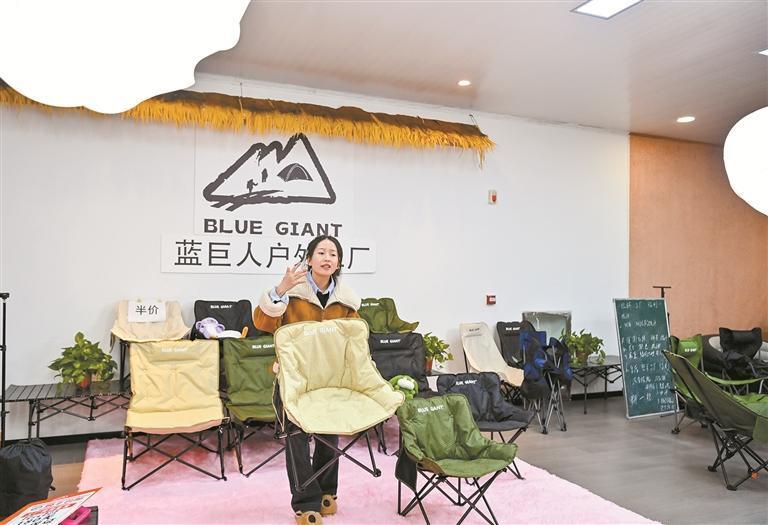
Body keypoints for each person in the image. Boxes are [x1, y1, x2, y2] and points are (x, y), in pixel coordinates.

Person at [253, 235, 360, 525]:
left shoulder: (347, 301)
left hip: (329, 379)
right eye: (321, 252)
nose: (327, 258)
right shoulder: (293, 292)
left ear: (339, 262)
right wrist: (281, 289)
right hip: (293, 378)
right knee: (296, 438)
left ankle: (326, 492)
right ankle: (305, 502)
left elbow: (354, 341)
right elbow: (262, 322)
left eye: (333, 254)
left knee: (330, 435)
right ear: (309, 259)